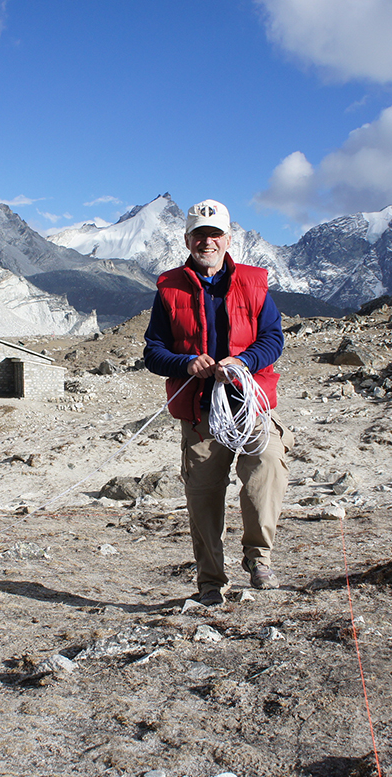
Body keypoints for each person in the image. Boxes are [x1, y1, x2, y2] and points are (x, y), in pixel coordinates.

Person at [143, 199, 293, 606]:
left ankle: (258, 558)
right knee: (203, 497)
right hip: (199, 412)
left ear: (228, 239)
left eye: (214, 235)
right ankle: (211, 582)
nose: (206, 243)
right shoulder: (169, 289)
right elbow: (153, 352)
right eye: (199, 236)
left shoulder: (255, 283)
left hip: (250, 406)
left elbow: (273, 339)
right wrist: (187, 363)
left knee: (268, 469)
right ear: (188, 239)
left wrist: (243, 361)